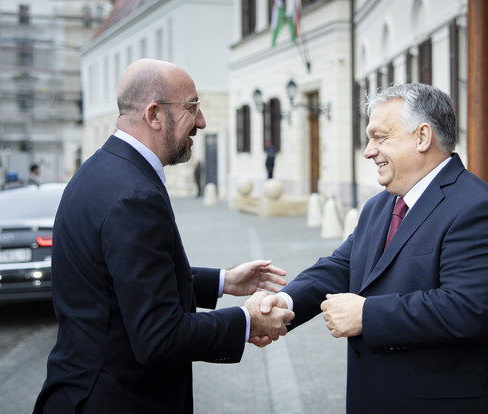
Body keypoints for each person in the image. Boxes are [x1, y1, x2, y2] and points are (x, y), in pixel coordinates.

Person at [257, 83, 488, 413]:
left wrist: (366, 314)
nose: (369, 151)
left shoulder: (479, 209)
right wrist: (282, 302)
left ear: (423, 137)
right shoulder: (379, 205)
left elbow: (468, 310)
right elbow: (341, 266)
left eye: (380, 137)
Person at [34, 59, 294, 414]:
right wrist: (247, 320)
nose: (201, 121)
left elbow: (124, 279)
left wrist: (222, 282)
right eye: (192, 107)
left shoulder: (101, 169)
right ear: (154, 115)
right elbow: (158, 336)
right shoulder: (134, 195)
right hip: (118, 400)